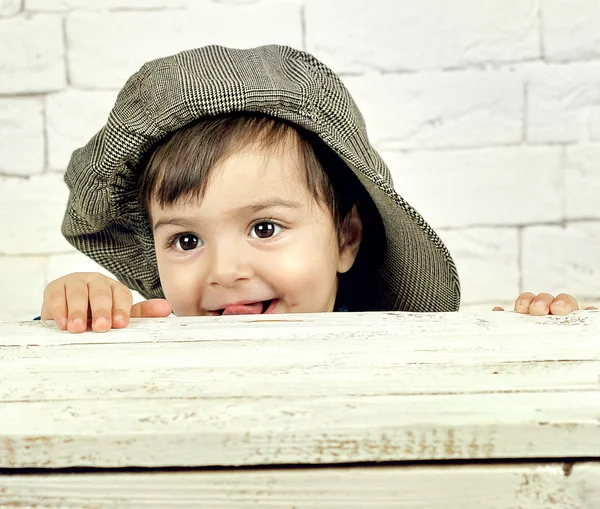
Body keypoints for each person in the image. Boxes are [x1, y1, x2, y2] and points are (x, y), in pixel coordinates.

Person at [39, 45, 596, 333]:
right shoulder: (150, 338)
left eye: (264, 228)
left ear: (347, 239)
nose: (223, 271)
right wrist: (86, 314)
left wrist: (542, 333)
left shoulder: (397, 353)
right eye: (186, 240)